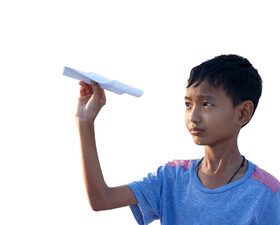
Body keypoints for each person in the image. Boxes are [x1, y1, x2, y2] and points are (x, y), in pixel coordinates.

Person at [75, 54, 280, 224]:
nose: (194, 116)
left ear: (243, 113)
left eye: (207, 104)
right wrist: (85, 122)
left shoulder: (266, 193)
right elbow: (101, 199)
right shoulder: (172, 177)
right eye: (188, 104)